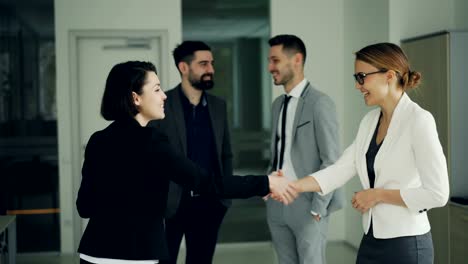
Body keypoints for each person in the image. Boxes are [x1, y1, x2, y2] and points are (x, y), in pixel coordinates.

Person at [76, 61, 294, 264]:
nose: (164, 96)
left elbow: (84, 206)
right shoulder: (153, 142)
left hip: (93, 253)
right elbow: (206, 183)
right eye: (157, 89)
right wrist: (265, 183)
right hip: (137, 255)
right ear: (136, 98)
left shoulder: (98, 140)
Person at [287, 42, 450, 264]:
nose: (358, 85)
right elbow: (340, 169)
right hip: (372, 240)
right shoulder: (369, 121)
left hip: (408, 245)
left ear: (389, 76)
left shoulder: (419, 121)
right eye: (356, 78)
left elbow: (437, 194)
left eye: (361, 77)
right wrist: (292, 186)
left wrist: (377, 195)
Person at [148, 40, 236, 264]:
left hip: (209, 204)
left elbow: (225, 154)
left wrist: (224, 198)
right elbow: (150, 157)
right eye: (203, 64)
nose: (211, 70)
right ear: (183, 67)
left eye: (211, 64)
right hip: (171, 205)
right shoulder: (161, 104)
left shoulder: (218, 106)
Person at [265, 34, 343, 264]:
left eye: (275, 60)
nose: (270, 67)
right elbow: (278, 152)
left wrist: (318, 208)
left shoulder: (320, 103)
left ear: (296, 60)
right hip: (277, 202)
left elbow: (331, 161)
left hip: (307, 203)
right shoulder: (277, 105)